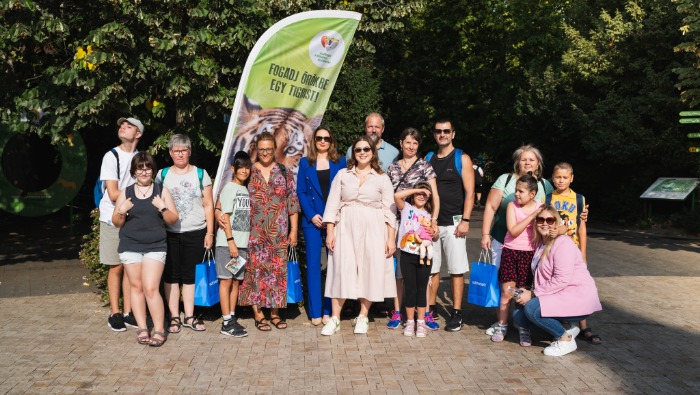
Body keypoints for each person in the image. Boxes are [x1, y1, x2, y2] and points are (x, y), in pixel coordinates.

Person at [321, 136, 397, 336]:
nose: (362, 152)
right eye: (358, 150)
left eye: (366, 149)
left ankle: (363, 315)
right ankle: (335, 318)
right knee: (341, 269)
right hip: (345, 225)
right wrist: (330, 232)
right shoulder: (342, 175)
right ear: (353, 153)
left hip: (374, 227)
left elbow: (390, 211)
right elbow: (332, 205)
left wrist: (390, 238)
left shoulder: (382, 178)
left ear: (373, 153)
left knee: (369, 269)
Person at [480, 144, 556, 337]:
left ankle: (522, 324)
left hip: (531, 246)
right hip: (502, 240)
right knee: (502, 283)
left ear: (538, 164)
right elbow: (490, 206)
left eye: (532, 159)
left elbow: (552, 212)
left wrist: (580, 215)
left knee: (525, 285)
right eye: (524, 159)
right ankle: (501, 322)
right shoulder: (505, 180)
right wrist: (485, 234)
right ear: (517, 162)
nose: (527, 162)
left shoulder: (545, 185)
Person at [512, 206, 602, 356]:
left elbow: (561, 279)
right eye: (541, 219)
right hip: (558, 295)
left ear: (556, 223)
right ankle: (566, 326)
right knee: (518, 315)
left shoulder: (563, 243)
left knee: (532, 309)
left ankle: (565, 339)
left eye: (550, 220)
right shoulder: (542, 244)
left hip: (576, 296)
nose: (545, 223)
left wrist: (533, 295)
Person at [112, 152, 178, 346]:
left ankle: (159, 328)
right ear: (134, 171)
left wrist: (163, 208)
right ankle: (142, 327)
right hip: (130, 245)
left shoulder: (161, 190)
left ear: (152, 170)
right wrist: (122, 210)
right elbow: (116, 222)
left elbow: (173, 219)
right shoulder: (126, 192)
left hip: (155, 246)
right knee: (137, 287)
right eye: (140, 168)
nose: (144, 171)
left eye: (147, 167)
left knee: (150, 287)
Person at [238, 132, 300, 331]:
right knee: (254, 272)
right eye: (261, 149)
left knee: (276, 272)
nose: (265, 153)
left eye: (268, 149)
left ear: (275, 150)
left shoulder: (284, 171)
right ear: (256, 149)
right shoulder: (248, 171)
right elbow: (235, 195)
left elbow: (292, 201)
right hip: (252, 231)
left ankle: (275, 313)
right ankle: (258, 314)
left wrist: (294, 230)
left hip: (278, 232)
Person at [155, 134, 214, 333]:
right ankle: (174, 317)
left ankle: (189, 315)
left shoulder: (200, 174)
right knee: (171, 276)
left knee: (190, 276)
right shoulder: (162, 175)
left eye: (183, 150)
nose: (180, 154)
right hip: (169, 233)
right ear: (170, 153)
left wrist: (210, 232)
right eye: (176, 151)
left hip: (196, 231)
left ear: (189, 151)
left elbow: (208, 205)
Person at [386, 127, 440, 330]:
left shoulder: (425, 166)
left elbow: (434, 195)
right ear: (401, 143)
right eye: (407, 142)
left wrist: (434, 220)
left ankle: (424, 314)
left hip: (423, 222)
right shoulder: (393, 168)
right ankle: (398, 311)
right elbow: (389, 196)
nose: (410, 146)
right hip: (399, 223)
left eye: (415, 143)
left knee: (423, 271)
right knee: (401, 273)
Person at [425, 118, 475, 332]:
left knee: (456, 270)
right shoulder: (428, 157)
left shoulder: (461, 158)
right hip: (432, 223)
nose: (442, 134)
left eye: (446, 131)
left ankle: (456, 313)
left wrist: (465, 220)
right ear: (434, 134)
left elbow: (471, 192)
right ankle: (431, 307)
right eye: (438, 131)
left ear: (453, 133)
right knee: (431, 269)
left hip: (455, 223)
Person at [296, 126, 347, 326]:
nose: (323, 141)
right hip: (313, 222)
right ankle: (315, 311)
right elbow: (301, 192)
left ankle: (329, 310)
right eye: (319, 138)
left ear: (331, 140)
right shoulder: (305, 163)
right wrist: (311, 215)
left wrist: (332, 217)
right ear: (314, 141)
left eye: (326, 138)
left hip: (334, 221)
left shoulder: (340, 162)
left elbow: (345, 191)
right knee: (313, 266)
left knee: (333, 266)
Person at [544, 162, 600, 345]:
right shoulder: (548, 198)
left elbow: (582, 226)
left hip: (572, 248)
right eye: (558, 177)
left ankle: (584, 326)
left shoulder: (579, 199)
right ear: (552, 177)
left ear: (571, 178)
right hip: (553, 248)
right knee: (558, 286)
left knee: (578, 286)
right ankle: (562, 324)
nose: (561, 180)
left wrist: (583, 253)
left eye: (565, 177)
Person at [99, 117, 143, 331]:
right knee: (115, 266)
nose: (123, 127)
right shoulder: (111, 156)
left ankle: (128, 312)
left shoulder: (139, 158)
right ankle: (115, 313)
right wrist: (139, 198)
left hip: (132, 218)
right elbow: (114, 193)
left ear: (138, 134)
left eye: (129, 125)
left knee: (129, 266)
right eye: (121, 125)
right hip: (112, 217)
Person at [491, 175, 543, 343]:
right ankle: (502, 325)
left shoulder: (541, 207)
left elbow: (555, 223)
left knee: (522, 294)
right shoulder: (512, 206)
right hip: (511, 253)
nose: (517, 194)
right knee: (507, 293)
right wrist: (532, 216)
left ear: (532, 193)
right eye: (516, 190)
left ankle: (524, 328)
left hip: (529, 255)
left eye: (521, 191)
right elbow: (513, 231)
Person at [214, 151, 252, 338]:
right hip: (228, 244)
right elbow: (225, 216)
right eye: (241, 167)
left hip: (242, 245)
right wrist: (231, 242)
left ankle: (232, 316)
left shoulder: (244, 189)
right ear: (233, 169)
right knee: (226, 281)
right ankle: (226, 321)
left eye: (247, 167)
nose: (244, 171)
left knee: (236, 281)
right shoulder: (229, 188)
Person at [394, 183, 435, 338]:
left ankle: (421, 321)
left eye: (425, 195)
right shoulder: (406, 208)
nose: (421, 196)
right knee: (410, 288)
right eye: (419, 193)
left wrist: (434, 232)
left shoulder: (431, 215)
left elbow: (434, 236)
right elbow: (396, 195)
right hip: (407, 254)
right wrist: (418, 189)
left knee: (421, 288)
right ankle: (410, 322)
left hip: (424, 256)